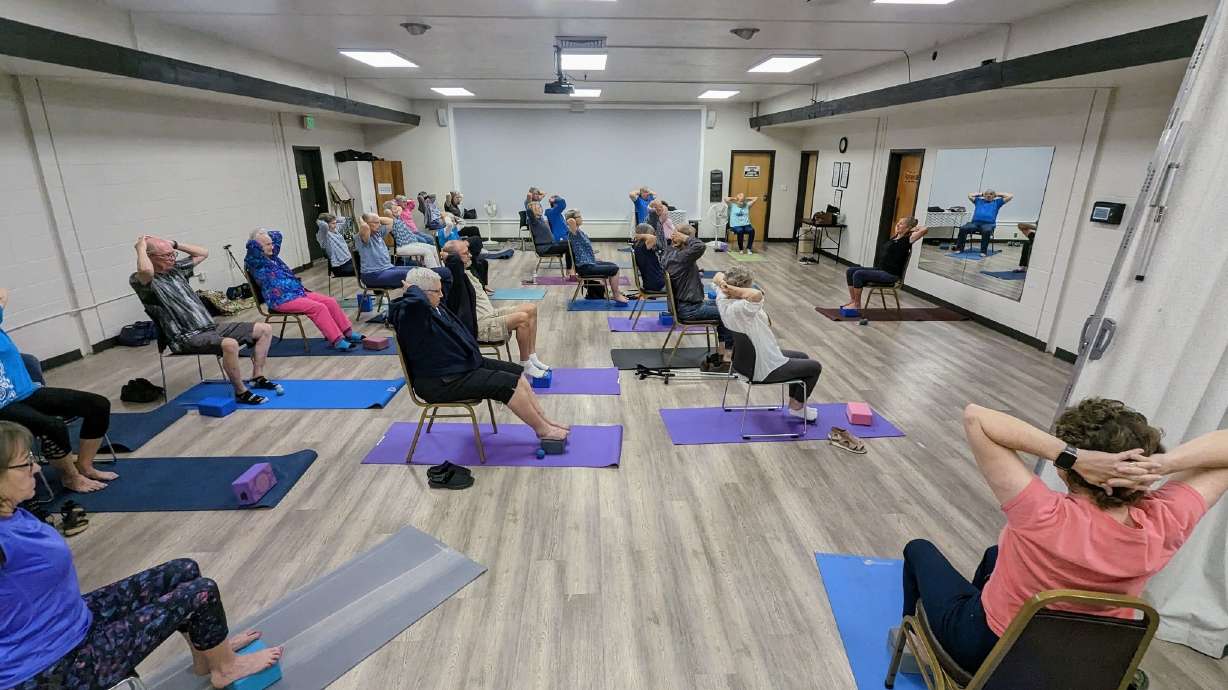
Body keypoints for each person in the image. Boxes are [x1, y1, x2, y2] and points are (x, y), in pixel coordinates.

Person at [900, 399, 1227, 672]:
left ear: (1063, 470)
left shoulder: (1042, 513)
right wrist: (1162, 464)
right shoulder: (1165, 521)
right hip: (1079, 663)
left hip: (988, 651)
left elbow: (977, 417)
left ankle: (918, 645)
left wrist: (1073, 455)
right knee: (993, 554)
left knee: (918, 549)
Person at [0, 421, 284, 689]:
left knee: (183, 570)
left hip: (71, 621)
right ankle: (226, 668)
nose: (36, 468)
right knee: (202, 592)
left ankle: (206, 656)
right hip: (53, 670)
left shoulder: (14, 512)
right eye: (26, 463)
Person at [388, 269, 568, 444]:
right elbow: (416, 303)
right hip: (441, 381)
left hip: (460, 366)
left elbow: (450, 271)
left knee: (518, 373)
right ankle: (542, 431)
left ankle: (545, 421)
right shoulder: (410, 314)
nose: (442, 295)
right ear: (420, 292)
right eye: (437, 291)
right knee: (508, 384)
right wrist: (412, 289)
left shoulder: (434, 306)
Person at [131, 236, 278, 405]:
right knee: (230, 344)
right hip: (184, 337)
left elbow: (203, 253)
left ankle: (257, 376)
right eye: (166, 256)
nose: (172, 258)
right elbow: (147, 271)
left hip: (209, 328)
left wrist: (174, 244)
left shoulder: (176, 269)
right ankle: (240, 392)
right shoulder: (140, 280)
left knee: (264, 329)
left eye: (173, 254)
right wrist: (140, 247)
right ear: (150, 257)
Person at [0, 290, 113, 493]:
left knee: (98, 404)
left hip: (25, 392)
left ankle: (85, 466)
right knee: (53, 426)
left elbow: (2, 293)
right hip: (2, 405)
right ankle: (70, 477)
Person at [713, 268, 822, 422]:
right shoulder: (741, 308)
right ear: (744, 287)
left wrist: (726, 287)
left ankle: (795, 404)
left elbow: (717, 276)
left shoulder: (722, 298)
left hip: (743, 362)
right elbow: (757, 295)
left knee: (802, 357)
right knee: (814, 367)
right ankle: (797, 408)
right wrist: (739, 290)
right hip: (761, 367)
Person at [440, 240, 553, 378]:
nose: (469, 255)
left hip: (491, 314)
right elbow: (454, 268)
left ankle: (532, 356)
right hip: (480, 325)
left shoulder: (466, 269)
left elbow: (475, 250)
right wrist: (447, 256)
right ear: (454, 258)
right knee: (522, 319)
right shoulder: (452, 276)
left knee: (531, 308)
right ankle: (525, 364)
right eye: (465, 253)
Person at [245, 229, 364, 351]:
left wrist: (264, 236)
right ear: (258, 246)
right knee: (318, 308)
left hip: (297, 292)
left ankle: (348, 332)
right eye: (268, 244)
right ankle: (337, 340)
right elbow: (251, 246)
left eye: (271, 243)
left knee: (330, 301)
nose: (272, 246)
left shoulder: (273, 256)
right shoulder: (255, 261)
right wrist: (257, 239)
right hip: (280, 300)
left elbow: (277, 234)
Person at [661, 224, 732, 366]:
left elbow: (680, 270)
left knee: (726, 305)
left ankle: (721, 352)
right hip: (690, 309)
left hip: (685, 305)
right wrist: (685, 238)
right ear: (683, 239)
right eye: (691, 238)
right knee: (730, 312)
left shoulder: (670, 252)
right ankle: (727, 358)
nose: (692, 240)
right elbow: (700, 246)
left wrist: (694, 273)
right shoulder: (682, 257)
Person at [841, 217, 927, 311]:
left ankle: (857, 305)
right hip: (881, 270)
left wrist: (913, 229)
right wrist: (899, 230)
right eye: (898, 222)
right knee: (850, 271)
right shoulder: (894, 237)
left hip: (891, 275)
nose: (898, 224)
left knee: (858, 274)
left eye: (901, 223)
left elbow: (925, 229)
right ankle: (853, 301)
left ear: (907, 228)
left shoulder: (908, 239)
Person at [565, 209, 629, 304]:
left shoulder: (579, 232)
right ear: (573, 219)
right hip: (585, 268)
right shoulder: (573, 233)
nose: (582, 218)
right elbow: (570, 221)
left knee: (612, 264)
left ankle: (613, 292)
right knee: (615, 269)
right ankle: (616, 295)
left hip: (589, 263)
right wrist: (571, 217)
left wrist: (593, 258)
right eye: (579, 216)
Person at [356, 213, 413, 289]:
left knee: (417, 270)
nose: (379, 225)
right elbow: (364, 227)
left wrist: (377, 219)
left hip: (388, 268)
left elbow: (391, 221)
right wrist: (361, 219)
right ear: (366, 223)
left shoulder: (378, 233)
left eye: (379, 222)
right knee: (414, 275)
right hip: (372, 275)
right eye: (376, 223)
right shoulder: (361, 237)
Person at [955, 189, 1014, 256]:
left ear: (994, 196)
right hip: (975, 223)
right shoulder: (978, 201)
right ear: (984, 195)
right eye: (987, 194)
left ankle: (983, 251)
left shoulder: (997, 202)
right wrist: (981, 194)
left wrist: (997, 194)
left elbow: (1010, 196)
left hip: (988, 224)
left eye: (991, 194)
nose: (989, 196)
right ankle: (959, 249)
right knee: (963, 228)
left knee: (987, 231)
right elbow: (969, 195)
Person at [382, 202, 440, 268]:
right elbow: (386, 213)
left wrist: (395, 209)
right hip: (403, 247)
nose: (397, 210)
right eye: (394, 209)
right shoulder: (391, 220)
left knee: (433, 248)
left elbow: (400, 208)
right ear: (389, 211)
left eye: (396, 208)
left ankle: (439, 267)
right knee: (427, 251)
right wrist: (389, 210)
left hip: (412, 243)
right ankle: (434, 270)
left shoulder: (398, 217)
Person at [527, 201, 570, 271]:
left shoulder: (540, 219)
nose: (541, 209)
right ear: (533, 211)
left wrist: (536, 206)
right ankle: (570, 270)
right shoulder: (533, 221)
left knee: (571, 242)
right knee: (569, 246)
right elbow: (529, 211)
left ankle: (574, 268)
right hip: (545, 248)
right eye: (538, 208)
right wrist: (532, 206)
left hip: (551, 245)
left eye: (540, 207)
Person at [631, 223, 666, 292]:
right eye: (651, 233)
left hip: (649, 283)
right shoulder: (643, 246)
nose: (653, 235)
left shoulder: (637, 246)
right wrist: (640, 235)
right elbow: (653, 238)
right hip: (657, 284)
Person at [544, 195, 573, 276]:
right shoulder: (551, 212)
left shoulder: (556, 213)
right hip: (560, 238)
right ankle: (570, 269)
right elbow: (562, 203)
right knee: (572, 245)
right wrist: (555, 199)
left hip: (565, 235)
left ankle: (576, 264)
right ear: (555, 204)